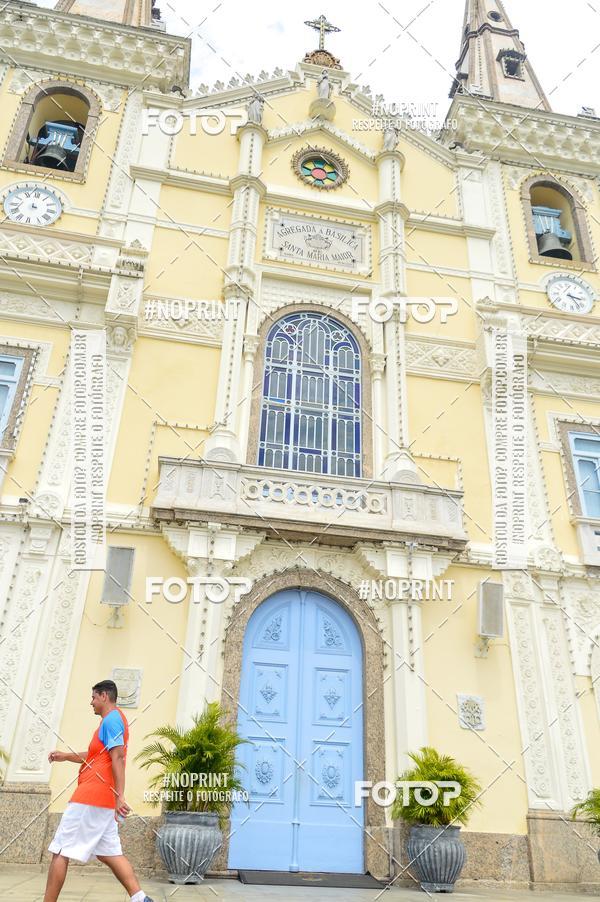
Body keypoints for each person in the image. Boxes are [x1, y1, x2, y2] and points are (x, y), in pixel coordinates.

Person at [44, 680, 154, 902]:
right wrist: (65, 756)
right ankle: (140, 898)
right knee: (110, 853)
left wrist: (120, 796)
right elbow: (96, 755)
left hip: (91, 797)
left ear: (104, 696)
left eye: (94, 697)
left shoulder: (112, 720)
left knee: (60, 850)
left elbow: (118, 756)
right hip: (102, 800)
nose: (91, 702)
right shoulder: (112, 721)